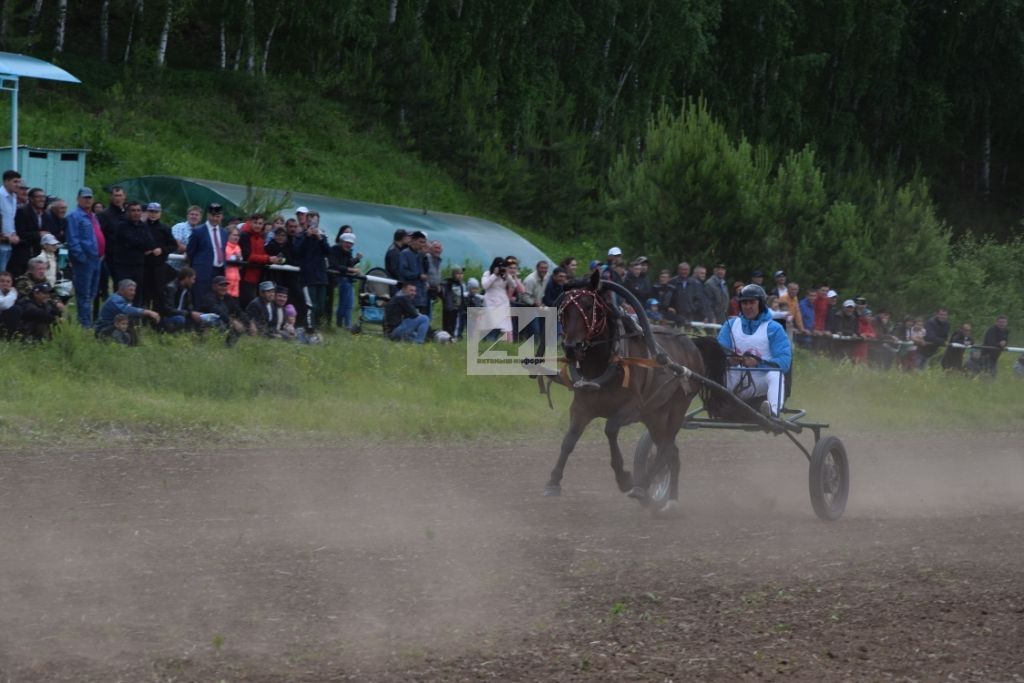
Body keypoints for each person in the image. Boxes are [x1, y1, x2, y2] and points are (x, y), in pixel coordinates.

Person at [717, 284, 792, 417]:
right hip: (736, 379)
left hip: (761, 383)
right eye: (744, 303)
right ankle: (715, 404)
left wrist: (757, 363)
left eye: (752, 302)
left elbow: (784, 362)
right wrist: (729, 360)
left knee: (776, 375)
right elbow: (718, 352)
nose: (747, 307)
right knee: (715, 370)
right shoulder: (730, 325)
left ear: (761, 304)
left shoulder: (774, 328)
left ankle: (773, 412)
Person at [293, 213, 330, 341]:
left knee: (320, 306)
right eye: (311, 222)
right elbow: (297, 252)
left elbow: (327, 252)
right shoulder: (301, 236)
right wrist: (307, 237)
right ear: (307, 222)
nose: (313, 224)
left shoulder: (322, 236)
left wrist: (319, 238)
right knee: (310, 305)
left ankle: (311, 327)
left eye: (315, 222)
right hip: (307, 276)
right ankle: (309, 330)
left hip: (321, 275)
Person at [111, 201, 157, 306]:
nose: (136, 213)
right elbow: (129, 241)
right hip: (123, 265)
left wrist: (137, 243)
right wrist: (141, 243)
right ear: (128, 212)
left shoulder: (143, 226)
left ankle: (134, 319)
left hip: (138, 265)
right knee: (122, 293)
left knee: (137, 293)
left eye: (138, 210)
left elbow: (151, 243)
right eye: (133, 210)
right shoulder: (121, 225)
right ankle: (119, 319)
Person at [186, 202, 228, 300]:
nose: (215, 218)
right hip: (202, 272)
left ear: (221, 216)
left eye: (217, 216)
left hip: (219, 271)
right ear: (207, 215)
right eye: (212, 215)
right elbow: (190, 251)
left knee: (215, 299)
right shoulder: (198, 231)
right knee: (200, 298)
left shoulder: (224, 232)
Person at [95, 279, 161, 338]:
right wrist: (148, 312)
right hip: (104, 331)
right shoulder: (115, 300)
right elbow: (126, 310)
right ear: (121, 290)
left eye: (134, 290)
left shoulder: (123, 299)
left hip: (112, 329)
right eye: (130, 290)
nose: (133, 293)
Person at [142, 202, 177, 311]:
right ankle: (143, 318)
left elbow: (173, 246)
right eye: (151, 211)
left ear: (160, 213)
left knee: (159, 292)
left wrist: (162, 250)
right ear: (147, 212)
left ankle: (158, 318)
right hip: (144, 265)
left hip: (159, 266)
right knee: (144, 292)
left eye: (156, 212)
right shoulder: (141, 226)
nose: (153, 214)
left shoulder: (165, 228)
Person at [11, 187, 48, 277]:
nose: (42, 199)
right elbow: (20, 233)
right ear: (30, 199)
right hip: (22, 255)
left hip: (36, 254)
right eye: (38, 197)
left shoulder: (45, 214)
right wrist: (38, 234)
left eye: (43, 197)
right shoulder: (22, 212)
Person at [329, 230, 362, 330]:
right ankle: (342, 324)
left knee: (349, 304)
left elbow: (349, 264)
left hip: (346, 278)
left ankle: (347, 324)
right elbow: (334, 265)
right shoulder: (334, 249)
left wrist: (356, 260)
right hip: (336, 278)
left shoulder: (348, 252)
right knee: (343, 303)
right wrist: (350, 269)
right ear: (341, 241)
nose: (348, 245)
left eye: (350, 244)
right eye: (347, 243)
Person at [200, 275, 247, 345]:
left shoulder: (227, 297)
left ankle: (228, 347)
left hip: (224, 322)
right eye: (221, 285)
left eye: (225, 285)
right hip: (208, 323)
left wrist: (249, 323)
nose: (224, 288)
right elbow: (217, 311)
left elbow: (238, 311)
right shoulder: (209, 297)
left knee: (239, 326)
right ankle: (207, 345)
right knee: (221, 324)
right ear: (214, 286)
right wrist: (232, 321)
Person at [161, 266, 204, 332]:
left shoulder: (187, 289)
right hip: (168, 317)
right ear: (187, 278)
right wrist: (190, 314)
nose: (194, 282)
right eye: (193, 279)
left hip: (182, 315)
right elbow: (168, 310)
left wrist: (195, 314)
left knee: (201, 319)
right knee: (180, 319)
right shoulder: (171, 288)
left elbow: (189, 307)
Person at [398, 230, 429, 316]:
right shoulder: (405, 254)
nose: (422, 245)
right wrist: (418, 276)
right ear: (413, 240)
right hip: (410, 292)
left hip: (421, 292)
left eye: (424, 243)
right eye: (420, 242)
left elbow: (426, 271)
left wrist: (425, 256)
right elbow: (403, 272)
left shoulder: (421, 255)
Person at [482, 256, 512, 341]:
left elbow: (513, 285)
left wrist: (507, 275)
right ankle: (488, 339)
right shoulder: (488, 274)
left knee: (500, 324)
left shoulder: (505, 276)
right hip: (490, 301)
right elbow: (485, 285)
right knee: (491, 322)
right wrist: (494, 275)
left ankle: (492, 340)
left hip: (502, 302)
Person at [0, 170, 22, 273]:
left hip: (9, 244)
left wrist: (14, 234)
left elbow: (10, 219)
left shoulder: (14, 197)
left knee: (4, 275)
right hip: (2, 241)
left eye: (19, 182)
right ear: (6, 182)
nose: (18, 185)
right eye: (15, 181)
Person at [170, 205, 202, 271]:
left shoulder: (201, 232)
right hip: (172, 267)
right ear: (187, 216)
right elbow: (178, 247)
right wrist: (196, 252)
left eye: (196, 215)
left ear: (200, 218)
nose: (194, 216)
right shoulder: (179, 226)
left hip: (189, 272)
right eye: (192, 214)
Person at [441, 266, 468, 339]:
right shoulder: (448, 283)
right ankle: (447, 337)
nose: (460, 276)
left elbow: (462, 297)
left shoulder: (462, 285)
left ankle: (456, 336)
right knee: (448, 324)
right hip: (449, 308)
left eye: (462, 274)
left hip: (458, 309)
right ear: (453, 274)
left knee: (457, 324)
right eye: (458, 274)